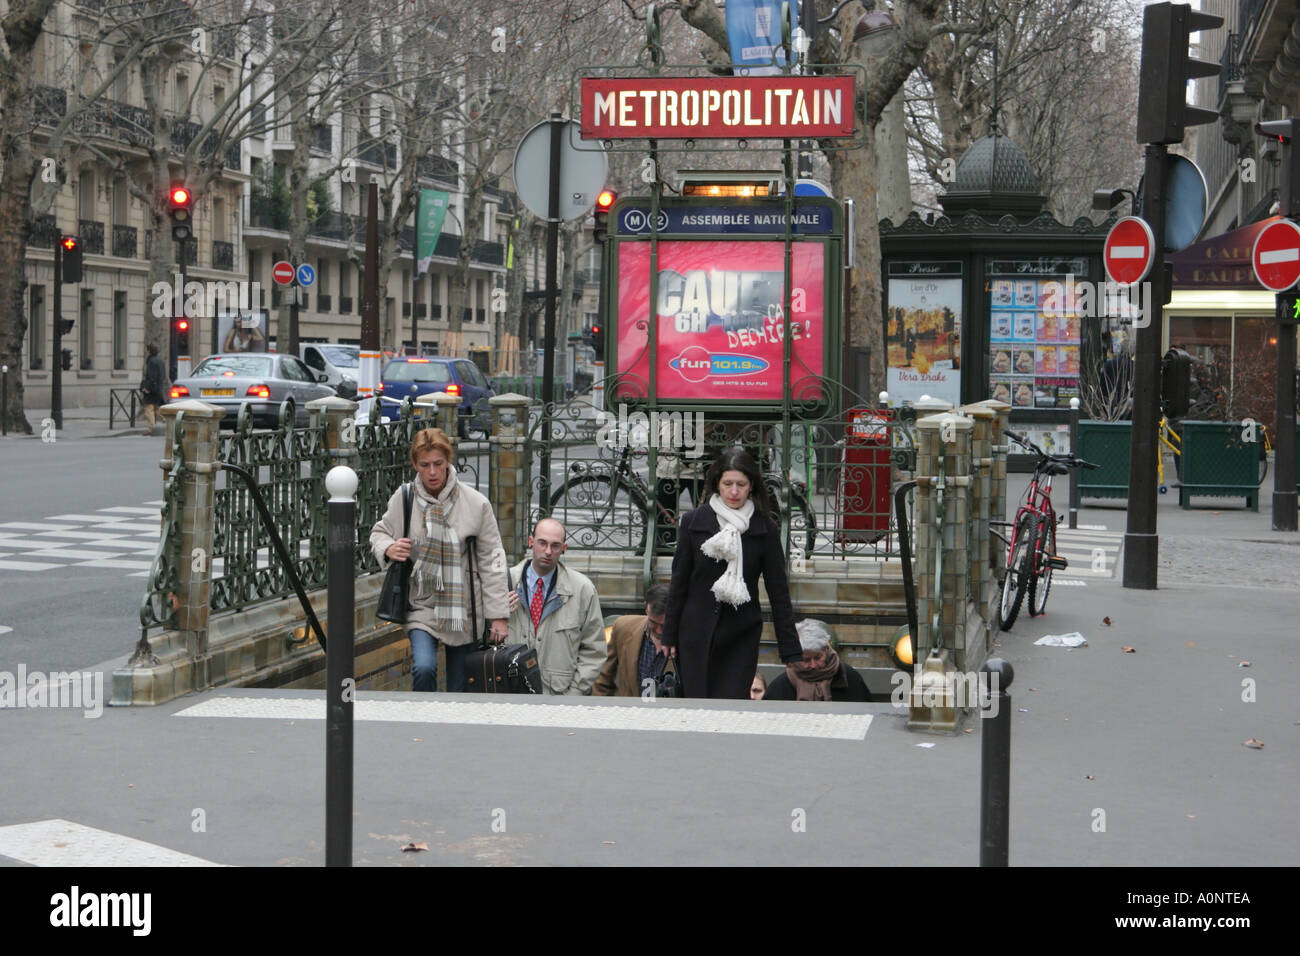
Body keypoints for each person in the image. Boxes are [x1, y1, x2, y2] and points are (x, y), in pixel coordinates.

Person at [369, 427, 509, 692]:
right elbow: (379, 533)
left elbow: (492, 562)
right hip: (421, 604)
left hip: (464, 610)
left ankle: (450, 731)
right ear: (415, 465)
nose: (432, 472)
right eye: (425, 465)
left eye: (438, 464)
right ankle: (422, 724)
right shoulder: (405, 498)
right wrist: (389, 547)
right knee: (423, 667)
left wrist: (498, 616)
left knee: (459, 690)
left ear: (448, 461)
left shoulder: (476, 504)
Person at [660, 446, 801, 699]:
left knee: (731, 705)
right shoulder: (693, 522)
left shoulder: (764, 528)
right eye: (727, 484)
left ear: (751, 487)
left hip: (740, 635)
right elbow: (679, 583)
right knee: (697, 705)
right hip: (694, 633)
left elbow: (778, 591)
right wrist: (669, 635)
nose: (734, 492)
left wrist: (790, 649)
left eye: (741, 484)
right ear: (717, 484)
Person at [506, 517, 607, 695]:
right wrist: (496, 612)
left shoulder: (583, 590)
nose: (547, 551)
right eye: (542, 543)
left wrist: (574, 694)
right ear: (531, 542)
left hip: (559, 695)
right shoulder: (504, 582)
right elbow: (484, 639)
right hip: (510, 691)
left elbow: (594, 650)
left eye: (555, 546)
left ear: (564, 549)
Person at [592, 584, 678, 698]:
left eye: (664, 625)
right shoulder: (623, 627)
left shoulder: (686, 639)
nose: (659, 631)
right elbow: (603, 678)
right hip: (628, 712)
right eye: (653, 622)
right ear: (646, 609)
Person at [762, 620, 871, 702]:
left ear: (826, 651)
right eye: (806, 660)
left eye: (818, 657)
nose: (813, 665)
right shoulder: (781, 686)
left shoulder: (850, 678)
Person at [139, 343, 167, 436]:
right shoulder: (161, 361)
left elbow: (151, 376)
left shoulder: (151, 361)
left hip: (152, 389)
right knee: (158, 409)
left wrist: (148, 388)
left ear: (149, 351)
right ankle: (170, 423)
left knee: (149, 409)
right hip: (159, 388)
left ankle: (151, 429)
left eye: (147, 350)